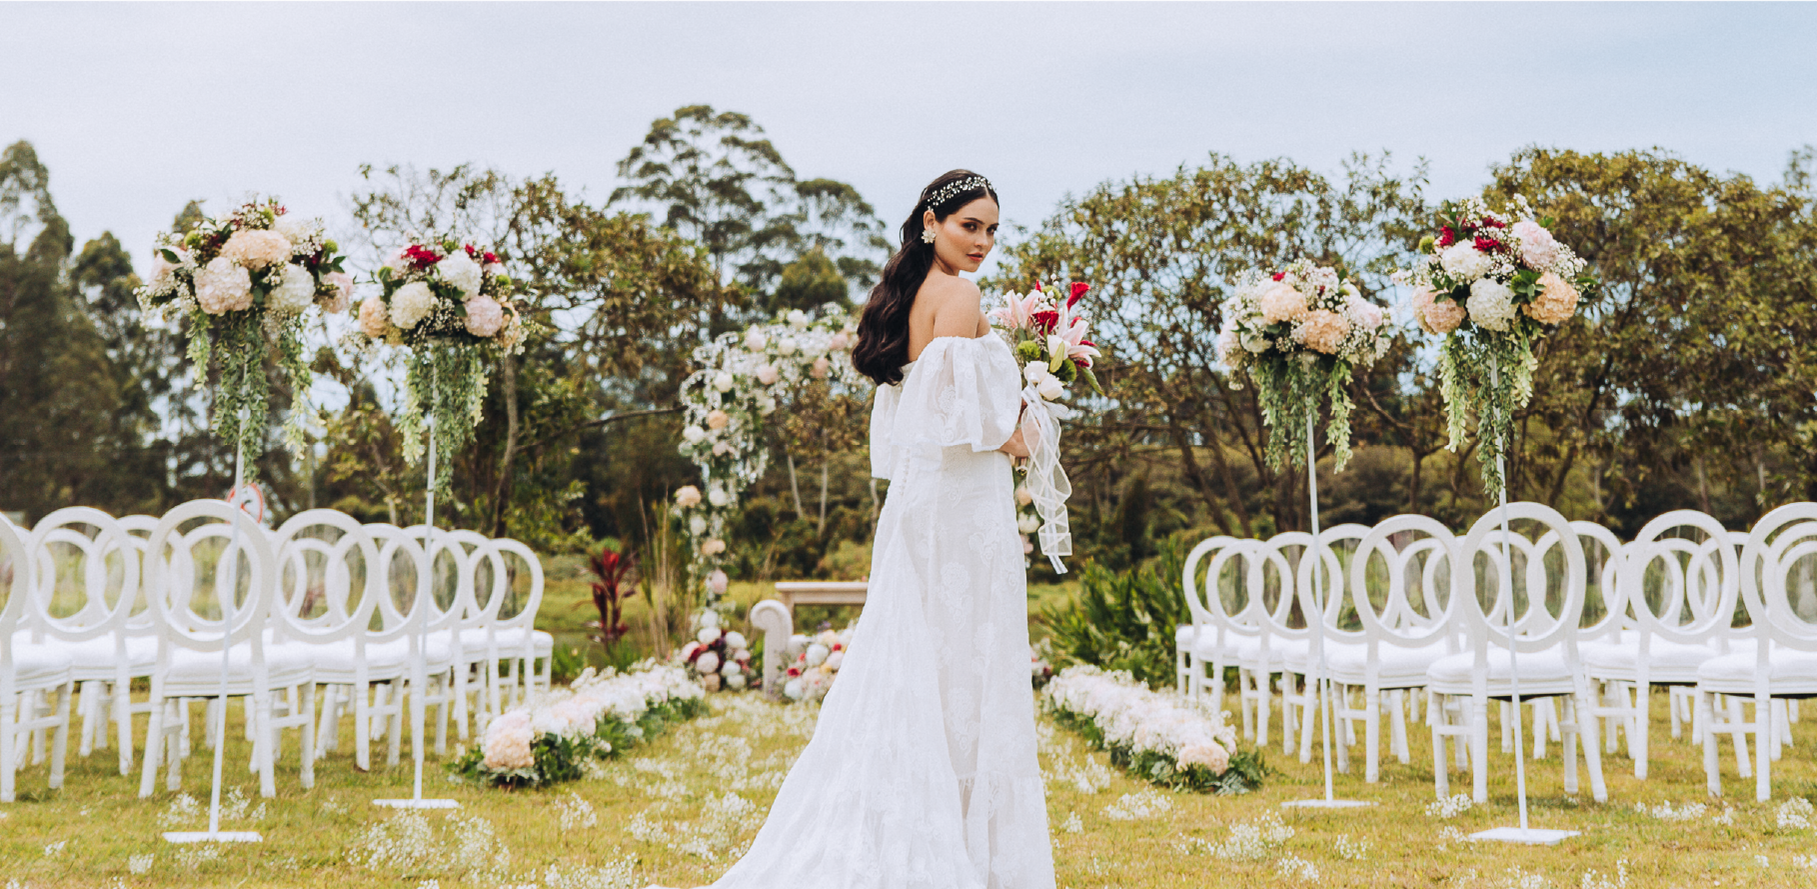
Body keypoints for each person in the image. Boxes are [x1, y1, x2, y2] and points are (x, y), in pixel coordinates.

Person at [656, 170, 1055, 889]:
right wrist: (1035, 406)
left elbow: (918, 419)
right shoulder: (960, 296)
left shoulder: (902, 300)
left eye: (993, 229)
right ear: (930, 222)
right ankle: (963, 846)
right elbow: (996, 432)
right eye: (970, 225)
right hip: (962, 513)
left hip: (918, 506)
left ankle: (913, 821)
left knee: (915, 665)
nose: (984, 242)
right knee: (963, 665)